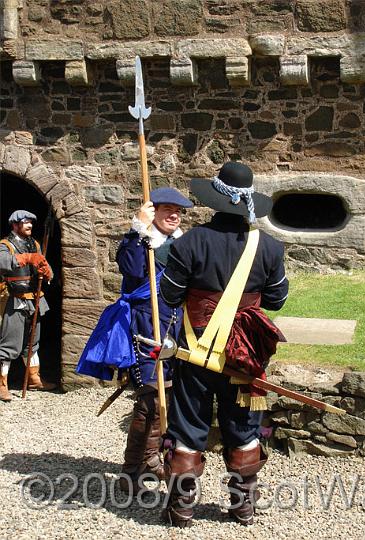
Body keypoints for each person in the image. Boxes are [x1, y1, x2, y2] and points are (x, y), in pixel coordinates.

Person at [160, 162, 289, 527]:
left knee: (187, 424)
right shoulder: (270, 247)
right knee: (245, 425)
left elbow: (169, 295)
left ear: (216, 199)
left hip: (194, 353)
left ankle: (182, 508)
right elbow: (277, 299)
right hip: (244, 357)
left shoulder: (188, 243)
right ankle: (243, 506)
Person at [116, 187, 193, 492]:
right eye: (166, 210)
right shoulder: (140, 242)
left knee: (167, 396)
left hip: (174, 328)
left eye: (178, 211)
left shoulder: (180, 244)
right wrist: (138, 226)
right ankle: (130, 469)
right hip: (146, 329)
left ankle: (151, 459)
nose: (174, 215)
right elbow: (131, 269)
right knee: (149, 399)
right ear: (153, 212)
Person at [0, 210, 54, 402]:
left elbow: (46, 269)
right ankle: (1, 383)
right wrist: (27, 258)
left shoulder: (35, 244)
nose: (30, 225)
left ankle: (33, 379)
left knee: (32, 342)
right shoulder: (5, 245)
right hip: (14, 299)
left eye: (31, 222)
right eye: (25, 222)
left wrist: (46, 271)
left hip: (35, 299)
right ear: (15, 225)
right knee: (9, 344)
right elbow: (3, 263)